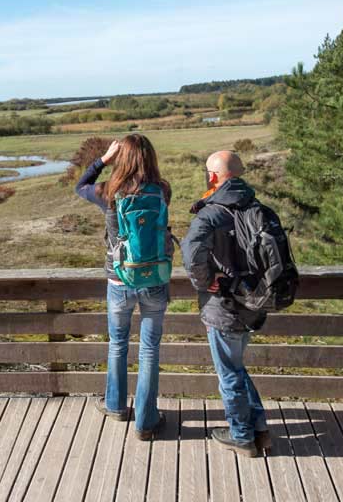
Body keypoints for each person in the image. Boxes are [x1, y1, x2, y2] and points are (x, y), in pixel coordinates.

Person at [75, 134, 171, 440]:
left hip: (119, 280)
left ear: (121, 158)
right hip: (155, 279)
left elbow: (80, 185)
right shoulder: (163, 190)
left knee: (118, 344)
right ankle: (146, 421)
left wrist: (103, 159)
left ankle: (115, 406)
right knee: (150, 350)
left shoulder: (109, 192)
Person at [180, 150, 270, 456]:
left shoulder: (212, 212)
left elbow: (192, 254)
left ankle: (242, 435)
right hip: (253, 301)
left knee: (229, 373)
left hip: (224, 306)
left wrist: (204, 281)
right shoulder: (256, 206)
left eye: (209, 172)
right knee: (236, 367)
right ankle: (259, 426)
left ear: (214, 176)